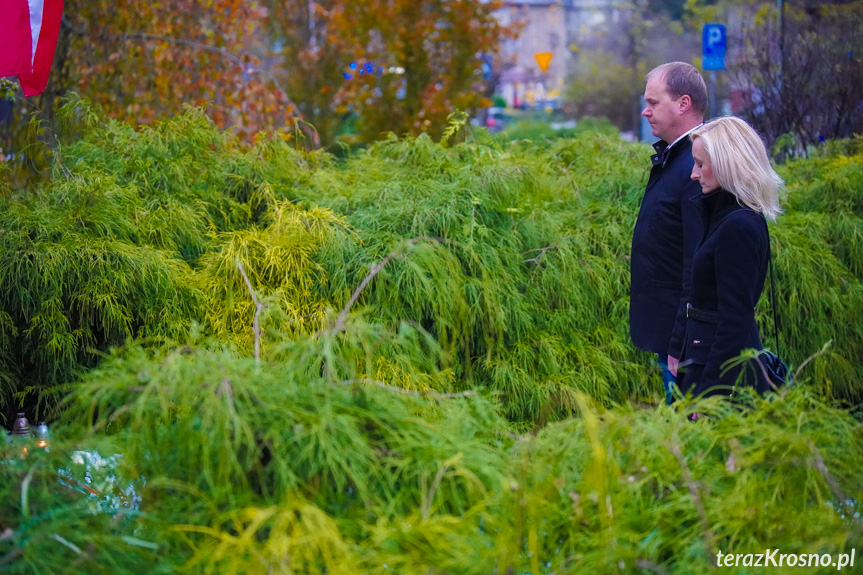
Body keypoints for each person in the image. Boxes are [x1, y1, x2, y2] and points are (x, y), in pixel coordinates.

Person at [669, 116, 783, 397]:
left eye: (700, 164)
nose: (694, 175)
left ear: (727, 164)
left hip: (720, 372)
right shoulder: (723, 216)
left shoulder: (738, 225)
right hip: (704, 358)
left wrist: (711, 394)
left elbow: (734, 320)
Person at [630, 62, 707, 404]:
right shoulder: (676, 157)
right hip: (670, 334)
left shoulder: (697, 166)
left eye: (653, 102)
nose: (645, 112)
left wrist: (681, 342)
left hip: (684, 341)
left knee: (690, 432)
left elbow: (698, 263)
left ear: (683, 104)